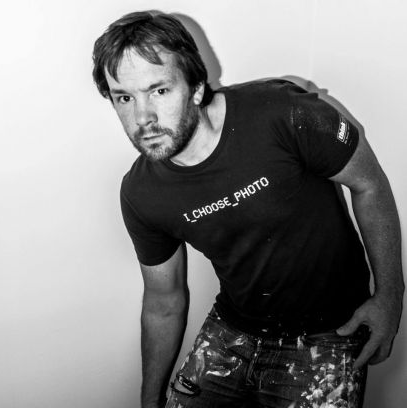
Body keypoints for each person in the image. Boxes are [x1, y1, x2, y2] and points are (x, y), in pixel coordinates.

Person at [92, 11, 404, 408]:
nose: (143, 118)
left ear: (196, 88)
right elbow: (163, 301)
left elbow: (369, 184)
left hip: (330, 332)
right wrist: (150, 400)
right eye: (124, 97)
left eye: (160, 91)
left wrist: (390, 296)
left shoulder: (283, 113)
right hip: (232, 328)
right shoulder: (142, 193)